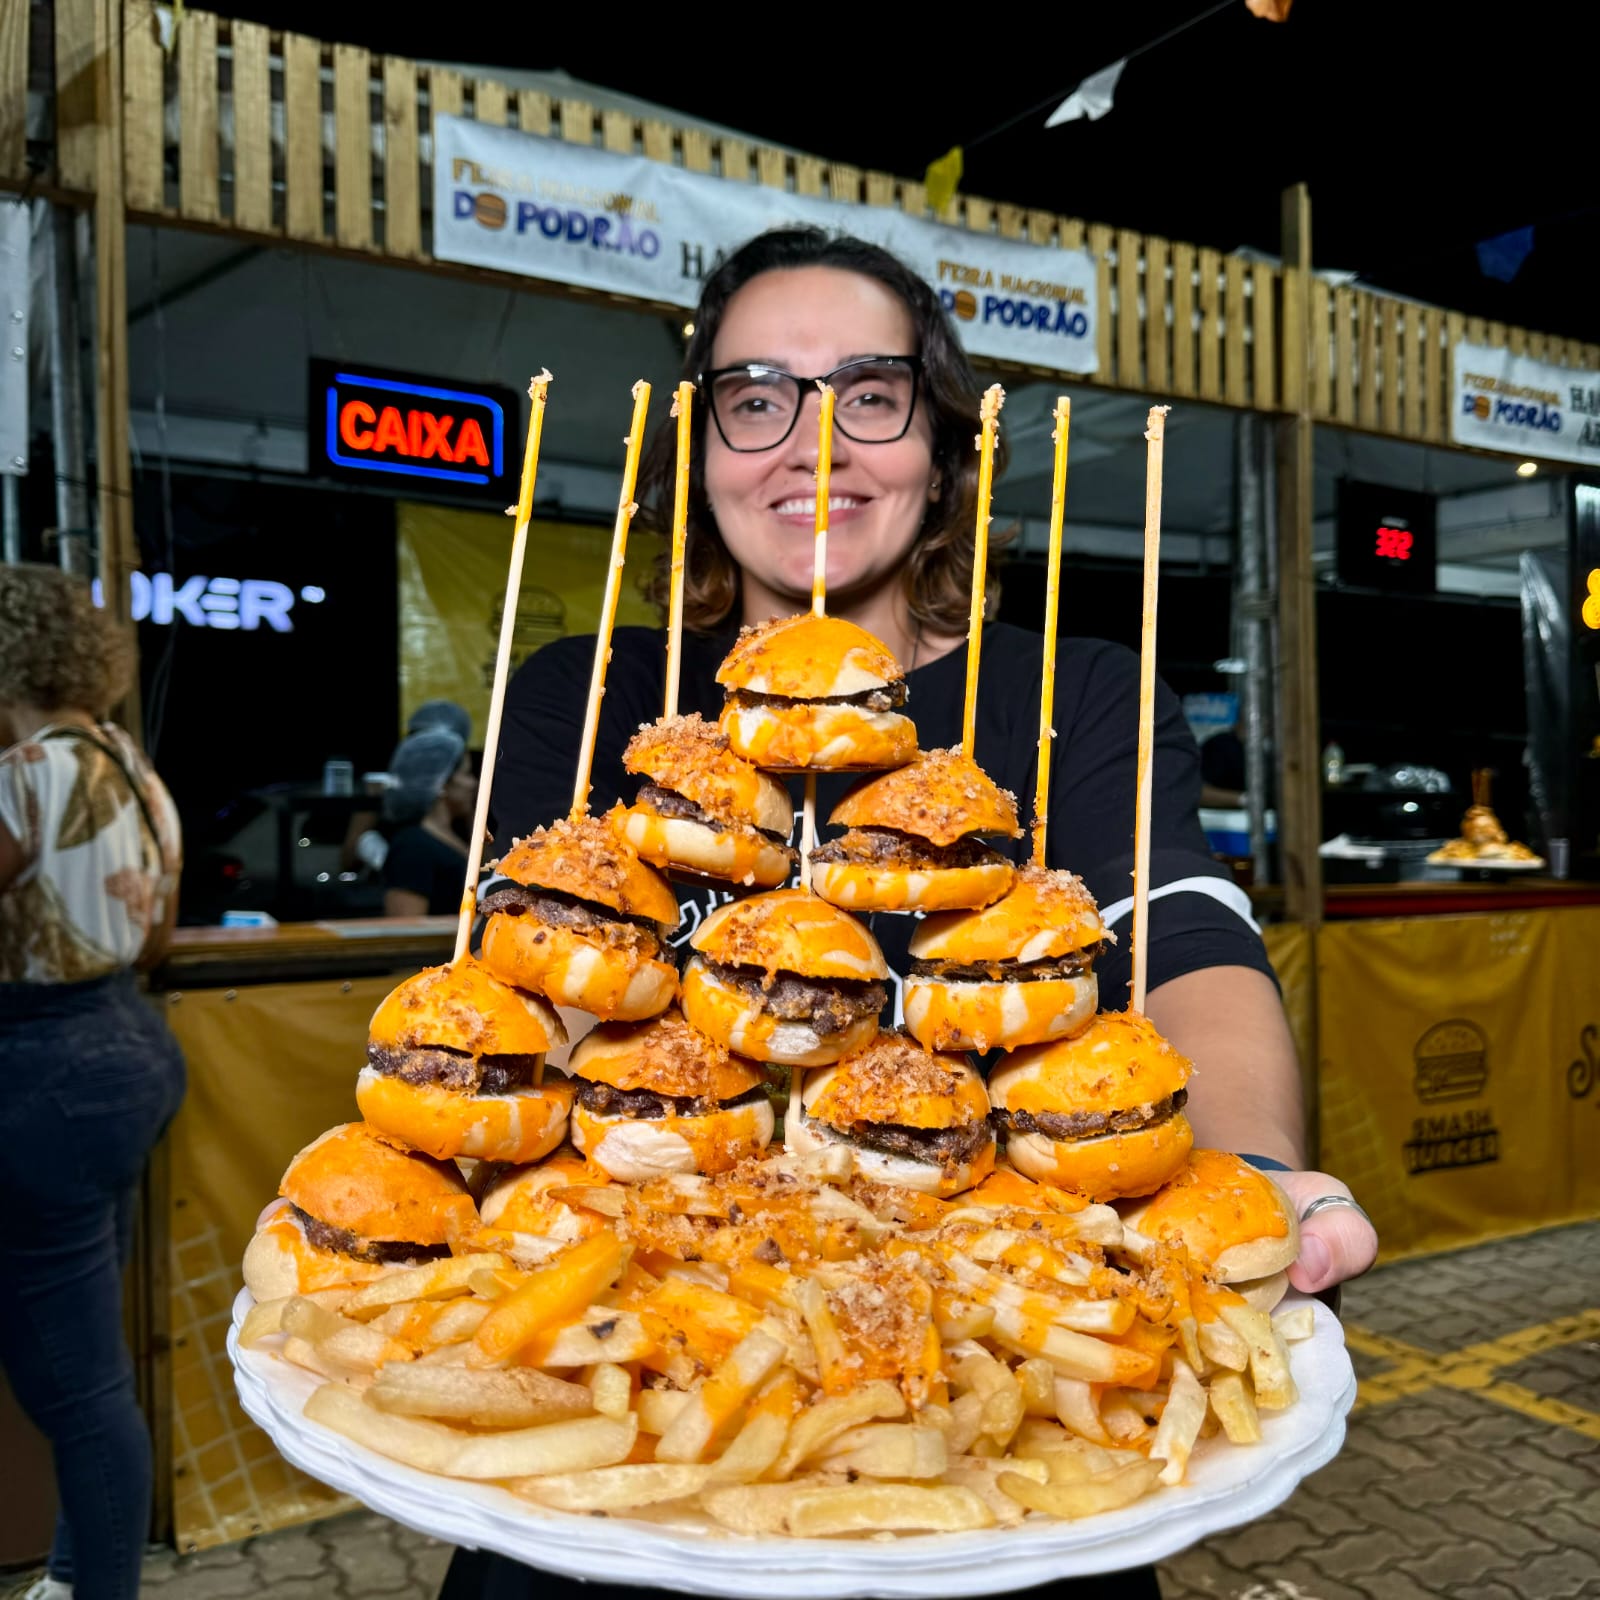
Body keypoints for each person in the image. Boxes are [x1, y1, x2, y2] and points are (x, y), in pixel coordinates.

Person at [460, 228, 1377, 1600]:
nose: (811, 447)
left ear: (944, 451)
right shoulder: (591, 697)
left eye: (870, 395)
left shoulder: (1072, 697)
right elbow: (510, 998)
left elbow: (1185, 938)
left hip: (996, 1468)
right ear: (700, 451)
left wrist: (1251, 1171)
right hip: (629, 1417)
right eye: (756, 397)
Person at [0, 563, 186, 1600]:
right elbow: (153, 937)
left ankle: (96, 1588)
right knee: (91, 1352)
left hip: (36, 1065)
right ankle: (77, 1575)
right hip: (126, 1044)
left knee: (74, 1385)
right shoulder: (132, 766)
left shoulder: (21, 772)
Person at [381, 726, 477, 917]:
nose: (472, 783)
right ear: (441, 783)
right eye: (466, 774)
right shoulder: (412, 846)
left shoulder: (455, 835)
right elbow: (407, 927)